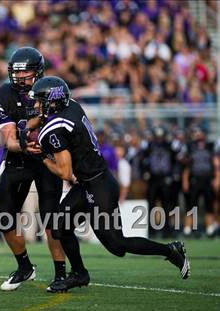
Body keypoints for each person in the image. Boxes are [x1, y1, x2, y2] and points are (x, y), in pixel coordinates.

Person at [28, 76, 190, 292]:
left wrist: (43, 158)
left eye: (40, 101)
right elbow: (48, 121)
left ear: (53, 101)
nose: (37, 106)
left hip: (98, 185)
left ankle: (170, 250)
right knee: (60, 224)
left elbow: (65, 173)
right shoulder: (72, 106)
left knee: (117, 245)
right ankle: (79, 274)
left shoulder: (55, 127)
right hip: (89, 182)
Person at [0, 47, 66, 292]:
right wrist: (23, 143)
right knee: (5, 218)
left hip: (46, 157)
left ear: (39, 71)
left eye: (27, 72)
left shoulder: (50, 90)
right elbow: (9, 139)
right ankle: (25, 267)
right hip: (19, 159)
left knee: (51, 219)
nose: (21, 77)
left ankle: (61, 273)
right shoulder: (2, 95)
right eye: (17, 73)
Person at [182, 128, 217, 237]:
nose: (198, 135)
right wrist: (185, 180)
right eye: (196, 133)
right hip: (195, 179)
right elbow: (187, 166)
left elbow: (215, 164)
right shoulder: (190, 147)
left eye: (199, 132)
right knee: (191, 205)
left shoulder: (210, 146)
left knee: (209, 205)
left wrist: (217, 178)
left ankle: (209, 229)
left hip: (207, 179)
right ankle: (188, 229)